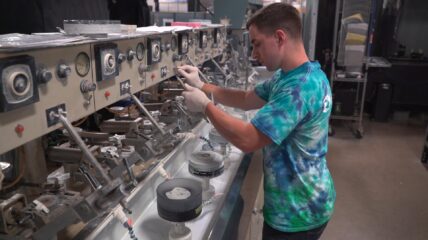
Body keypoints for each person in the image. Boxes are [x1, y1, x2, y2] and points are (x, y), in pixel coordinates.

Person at [178, 3, 335, 240]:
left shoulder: (299, 88)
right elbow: (246, 99)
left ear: (280, 37)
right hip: (303, 200)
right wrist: (202, 86)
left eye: (257, 44)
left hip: (297, 214)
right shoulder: (293, 75)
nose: (253, 54)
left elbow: (248, 139)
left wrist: (205, 107)